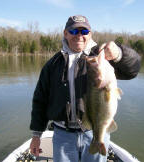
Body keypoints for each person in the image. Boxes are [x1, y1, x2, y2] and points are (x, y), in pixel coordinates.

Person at [29, 15, 141, 162]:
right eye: (74, 31)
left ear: (90, 34)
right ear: (66, 33)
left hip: (93, 131)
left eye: (84, 31)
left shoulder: (101, 57)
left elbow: (132, 69)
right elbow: (40, 100)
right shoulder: (52, 65)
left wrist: (119, 54)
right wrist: (36, 135)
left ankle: (98, 141)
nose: (80, 35)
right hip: (63, 135)